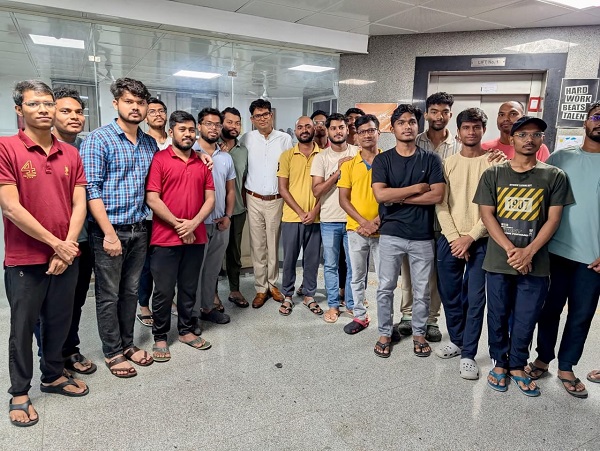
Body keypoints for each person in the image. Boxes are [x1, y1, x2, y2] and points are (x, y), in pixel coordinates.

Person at [1, 80, 89, 427]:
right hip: (25, 259)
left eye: (48, 103)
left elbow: (79, 203)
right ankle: (19, 392)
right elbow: (10, 207)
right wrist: (57, 244)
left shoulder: (71, 153)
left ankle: (52, 376)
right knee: (22, 327)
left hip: (65, 255)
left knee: (59, 321)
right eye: (34, 103)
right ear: (19, 109)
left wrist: (67, 247)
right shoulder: (7, 148)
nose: (43, 109)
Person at [474, 116, 573, 397]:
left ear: (542, 140)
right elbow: (487, 214)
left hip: (536, 263)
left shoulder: (554, 175)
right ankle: (499, 363)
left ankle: (517, 364)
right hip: (499, 260)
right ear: (512, 138)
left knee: (526, 317)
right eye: (523, 134)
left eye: (536, 134)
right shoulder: (493, 174)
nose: (530, 139)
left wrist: (528, 252)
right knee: (498, 315)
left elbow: (554, 219)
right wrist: (511, 250)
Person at [81, 78, 157, 378]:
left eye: (140, 102)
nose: (135, 107)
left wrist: (202, 156)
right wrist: (109, 234)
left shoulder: (149, 143)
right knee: (109, 294)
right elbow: (91, 190)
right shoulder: (99, 139)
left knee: (131, 291)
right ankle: (112, 351)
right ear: (116, 103)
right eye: (129, 101)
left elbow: (162, 175)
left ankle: (127, 344)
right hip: (108, 230)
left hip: (139, 228)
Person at [525, 102, 600, 398]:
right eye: (596, 116)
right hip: (554, 252)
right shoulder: (561, 158)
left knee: (581, 314)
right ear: (585, 122)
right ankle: (542, 359)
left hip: (592, 259)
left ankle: (567, 366)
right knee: (548, 310)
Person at [371, 104, 445, 358]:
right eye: (401, 122)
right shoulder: (383, 160)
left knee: (422, 290)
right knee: (385, 287)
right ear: (392, 128)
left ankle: (419, 334)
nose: (407, 126)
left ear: (418, 126)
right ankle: (384, 333)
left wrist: (398, 197)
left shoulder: (431, 159)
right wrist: (415, 189)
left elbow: (437, 195)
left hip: (422, 235)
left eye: (412, 122)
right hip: (391, 233)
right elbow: (381, 195)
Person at [146, 111, 215, 361]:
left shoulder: (203, 163)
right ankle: (160, 336)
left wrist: (193, 224)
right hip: (165, 238)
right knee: (164, 291)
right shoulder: (160, 159)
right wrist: (179, 226)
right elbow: (152, 198)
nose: (187, 134)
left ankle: (186, 331)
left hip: (196, 237)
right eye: (182, 129)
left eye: (191, 130)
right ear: (171, 132)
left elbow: (210, 199)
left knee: (188, 287)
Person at [434, 108, 493, 380]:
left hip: (482, 240)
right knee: (450, 294)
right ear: (458, 132)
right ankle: (457, 340)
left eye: (476, 127)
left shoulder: (494, 163)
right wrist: (455, 238)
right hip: (450, 239)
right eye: (466, 127)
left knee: (475, 298)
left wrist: (470, 237)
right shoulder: (447, 164)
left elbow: (494, 208)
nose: (471, 132)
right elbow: (440, 204)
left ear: (483, 130)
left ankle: (469, 353)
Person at [397, 92, 459, 342]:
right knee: (409, 271)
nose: (439, 116)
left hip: (446, 219)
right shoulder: (414, 141)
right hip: (415, 217)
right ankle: (407, 315)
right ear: (426, 114)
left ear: (450, 115)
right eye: (434, 111)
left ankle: (432, 318)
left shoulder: (459, 145)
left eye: (444, 112)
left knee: (436, 274)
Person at [51, 87, 97, 375]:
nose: (74, 117)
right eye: (65, 111)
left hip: (85, 237)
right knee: (52, 306)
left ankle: (69, 349)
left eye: (79, 112)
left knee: (76, 300)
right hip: (54, 240)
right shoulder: (44, 148)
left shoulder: (87, 146)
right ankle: (52, 361)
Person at [240, 99, 292, 308]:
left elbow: (289, 169)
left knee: (273, 244)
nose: (262, 118)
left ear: (271, 115)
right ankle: (260, 288)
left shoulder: (284, 139)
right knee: (257, 245)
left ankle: (273, 284)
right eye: (257, 116)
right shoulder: (247, 138)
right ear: (252, 119)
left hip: (275, 199)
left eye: (265, 114)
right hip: (253, 198)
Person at [311, 113, 358, 323]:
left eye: (341, 127)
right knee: (330, 265)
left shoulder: (357, 153)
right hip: (329, 219)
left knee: (353, 265)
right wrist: (339, 172)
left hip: (353, 219)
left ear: (347, 129)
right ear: (328, 131)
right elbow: (316, 191)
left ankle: (351, 304)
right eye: (333, 128)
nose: (338, 131)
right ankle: (332, 305)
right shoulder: (321, 158)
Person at [192, 108, 236, 327]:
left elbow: (230, 190)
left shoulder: (226, 157)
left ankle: (207, 308)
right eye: (208, 124)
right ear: (199, 126)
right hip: (196, 224)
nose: (213, 128)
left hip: (219, 224)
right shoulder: (189, 152)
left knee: (212, 271)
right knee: (193, 271)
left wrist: (228, 216)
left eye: (217, 124)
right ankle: (191, 315)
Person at [339, 114, 382, 334]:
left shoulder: (389, 160)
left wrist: (377, 222)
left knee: (385, 279)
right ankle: (360, 316)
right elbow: (343, 199)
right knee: (356, 276)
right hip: (356, 229)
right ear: (356, 136)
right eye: (362, 131)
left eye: (371, 130)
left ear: (378, 133)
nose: (367, 135)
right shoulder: (349, 165)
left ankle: (385, 322)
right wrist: (364, 223)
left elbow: (393, 197)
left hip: (384, 230)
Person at [276, 116, 322, 316]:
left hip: (317, 217)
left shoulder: (323, 155)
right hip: (292, 217)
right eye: (300, 127)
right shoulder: (287, 155)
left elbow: (329, 189)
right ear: (295, 131)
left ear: (314, 129)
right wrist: (301, 212)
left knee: (312, 260)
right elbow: (282, 189)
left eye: (308, 126)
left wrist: (315, 211)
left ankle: (309, 295)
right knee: (289, 259)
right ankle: (287, 295)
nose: (304, 130)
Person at [136, 97, 172, 326]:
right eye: (152, 111)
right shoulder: (142, 142)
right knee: (147, 265)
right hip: (148, 215)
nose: (158, 114)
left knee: (168, 263)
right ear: (145, 117)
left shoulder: (175, 140)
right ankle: (144, 305)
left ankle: (168, 300)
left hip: (172, 213)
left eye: (161, 110)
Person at [219, 107, 249, 308]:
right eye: (229, 122)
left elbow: (245, 180)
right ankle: (211, 295)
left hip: (237, 210)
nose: (234, 126)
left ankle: (234, 290)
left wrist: (245, 205)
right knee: (212, 256)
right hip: (212, 211)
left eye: (237, 123)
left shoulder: (243, 150)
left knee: (234, 253)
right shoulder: (209, 147)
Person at [482, 101, 550, 161]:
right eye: (501, 115)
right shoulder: (485, 147)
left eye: (513, 114)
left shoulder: (537, 148)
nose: (506, 118)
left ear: (523, 117)